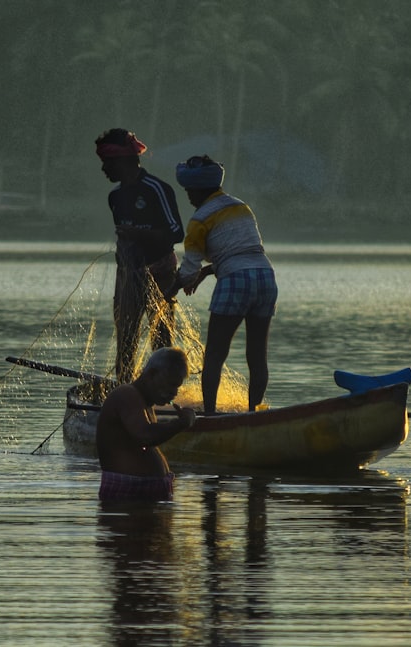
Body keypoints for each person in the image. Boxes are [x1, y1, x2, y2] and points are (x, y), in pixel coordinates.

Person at [172, 155, 277, 413]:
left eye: (189, 191)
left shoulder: (200, 219)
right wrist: (207, 273)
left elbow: (188, 269)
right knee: (257, 356)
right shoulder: (241, 207)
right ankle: (255, 413)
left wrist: (172, 289)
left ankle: (208, 415)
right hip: (265, 277)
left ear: (199, 190)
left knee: (215, 356)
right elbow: (241, 251)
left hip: (235, 281)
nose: (188, 196)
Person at [95, 128, 185, 383]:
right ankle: (124, 390)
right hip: (127, 276)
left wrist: (139, 234)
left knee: (161, 339)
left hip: (160, 274)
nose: (104, 169)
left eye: (107, 163)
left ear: (124, 160)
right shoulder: (115, 197)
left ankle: (165, 393)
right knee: (125, 337)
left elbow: (177, 233)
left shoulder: (156, 189)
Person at [97, 347, 197, 503]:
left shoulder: (145, 404)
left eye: (177, 387)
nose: (174, 393)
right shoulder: (126, 394)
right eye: (170, 385)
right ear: (151, 374)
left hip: (142, 499)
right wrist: (181, 423)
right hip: (127, 501)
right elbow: (145, 435)